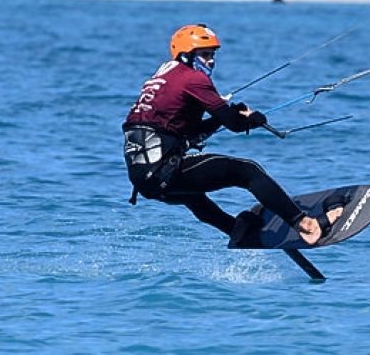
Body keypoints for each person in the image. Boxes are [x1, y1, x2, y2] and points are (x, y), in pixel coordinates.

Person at [123, 24, 341, 247]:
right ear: (186, 55)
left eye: (213, 55)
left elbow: (190, 132)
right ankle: (307, 226)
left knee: (194, 197)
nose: (211, 61)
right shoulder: (193, 79)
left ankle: (237, 230)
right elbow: (235, 125)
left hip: (143, 179)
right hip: (163, 170)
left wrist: (222, 117)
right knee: (247, 171)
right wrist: (252, 119)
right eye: (205, 55)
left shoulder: (164, 77)